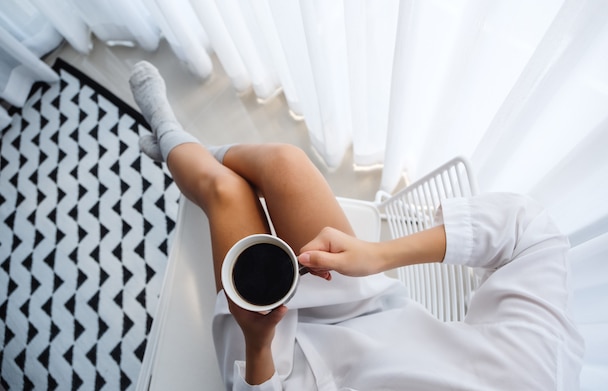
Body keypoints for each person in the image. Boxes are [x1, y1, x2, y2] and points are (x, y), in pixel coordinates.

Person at [129, 61, 584, 391]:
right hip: (366, 309)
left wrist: (257, 343)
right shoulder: (540, 371)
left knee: (228, 193)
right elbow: (534, 236)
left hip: (276, 373)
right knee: (287, 164)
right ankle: (184, 150)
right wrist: (377, 255)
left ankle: (170, 137)